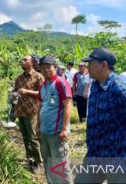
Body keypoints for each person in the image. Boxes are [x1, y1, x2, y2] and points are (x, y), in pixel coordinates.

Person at [75, 48, 126, 184]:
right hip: (95, 153)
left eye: (91, 63)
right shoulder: (96, 84)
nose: (87, 67)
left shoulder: (120, 88)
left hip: (117, 157)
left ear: (104, 65)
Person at [37, 55, 73, 184]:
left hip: (57, 132)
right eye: (43, 68)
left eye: (48, 67)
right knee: (48, 163)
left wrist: (64, 129)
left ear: (55, 67)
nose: (46, 70)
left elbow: (68, 105)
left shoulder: (60, 83)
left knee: (60, 166)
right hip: (45, 131)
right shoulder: (43, 85)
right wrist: (38, 126)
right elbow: (41, 106)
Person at [13, 54, 43, 173]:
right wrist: (15, 94)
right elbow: (15, 90)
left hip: (32, 112)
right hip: (21, 111)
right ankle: (29, 158)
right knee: (25, 137)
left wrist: (27, 91)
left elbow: (42, 93)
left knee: (33, 138)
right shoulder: (19, 77)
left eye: (25, 60)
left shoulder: (38, 77)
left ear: (32, 63)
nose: (22, 61)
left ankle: (38, 162)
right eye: (22, 59)